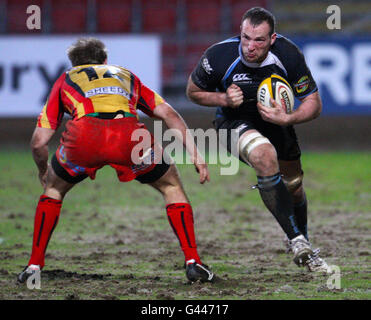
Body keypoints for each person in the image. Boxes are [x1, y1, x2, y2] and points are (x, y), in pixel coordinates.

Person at [18, 37, 215, 284]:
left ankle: (34, 266)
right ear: (105, 61)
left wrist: (42, 170)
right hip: (129, 139)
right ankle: (193, 262)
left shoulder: (66, 79)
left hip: (84, 139)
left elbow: (39, 141)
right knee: (171, 186)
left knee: (54, 190)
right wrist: (195, 154)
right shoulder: (125, 75)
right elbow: (169, 113)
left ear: (73, 63)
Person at [186, 7, 330, 273]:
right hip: (233, 123)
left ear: (272, 39)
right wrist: (223, 99)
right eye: (245, 37)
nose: (250, 46)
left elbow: (314, 103)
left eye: (259, 40)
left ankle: (302, 243)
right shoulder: (219, 56)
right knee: (264, 155)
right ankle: (298, 241)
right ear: (240, 33)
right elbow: (193, 91)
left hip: (277, 124)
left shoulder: (288, 54)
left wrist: (288, 119)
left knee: (294, 186)